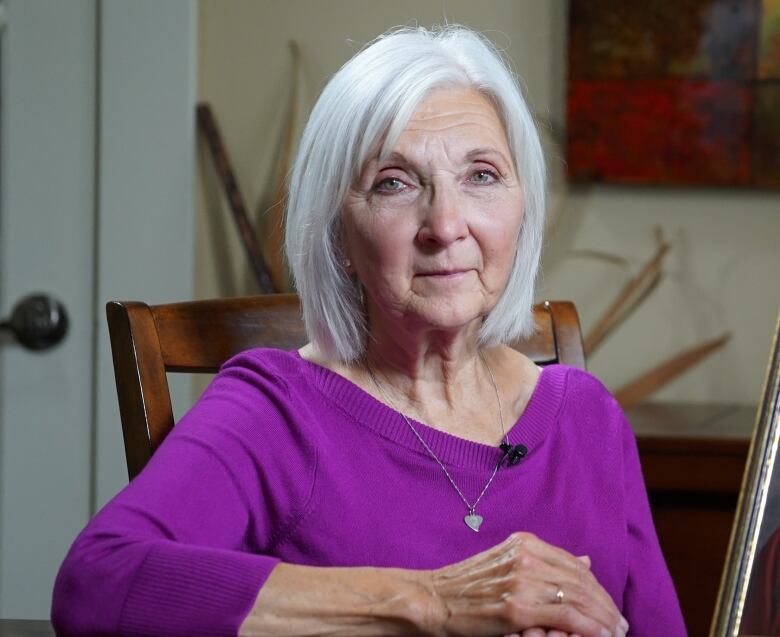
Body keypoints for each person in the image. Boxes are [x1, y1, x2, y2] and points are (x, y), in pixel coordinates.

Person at [52, 25, 686, 637]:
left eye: (482, 176)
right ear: (338, 237)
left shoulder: (587, 419)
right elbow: (98, 582)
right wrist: (431, 602)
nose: (446, 224)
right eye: (394, 183)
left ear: (523, 208)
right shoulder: (276, 412)